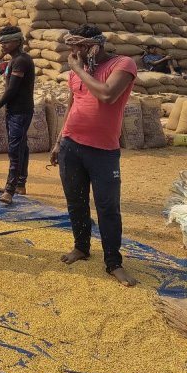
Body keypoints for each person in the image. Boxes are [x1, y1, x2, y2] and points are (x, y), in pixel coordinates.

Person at [49, 24, 138, 287]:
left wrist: (76, 69)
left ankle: (113, 262)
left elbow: (107, 95)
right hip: (71, 146)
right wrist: (58, 141)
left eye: (81, 48)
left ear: (96, 45)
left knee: (108, 208)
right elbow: (72, 103)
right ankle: (81, 247)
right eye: (73, 48)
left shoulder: (123, 64)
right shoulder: (79, 71)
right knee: (75, 201)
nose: (76, 53)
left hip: (103, 152)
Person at [0, 26, 35, 205]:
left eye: (6, 42)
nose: (3, 45)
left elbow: (13, 89)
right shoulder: (14, 61)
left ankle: (10, 190)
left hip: (20, 111)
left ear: (17, 41)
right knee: (21, 146)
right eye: (1, 42)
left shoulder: (21, 61)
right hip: (15, 110)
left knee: (15, 149)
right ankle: (20, 184)